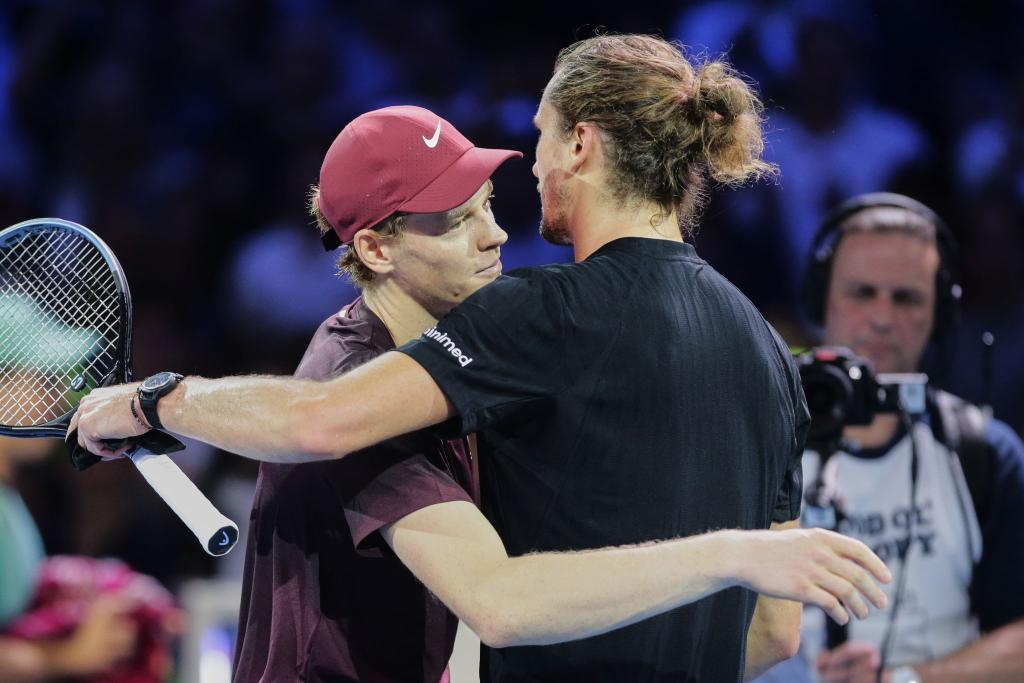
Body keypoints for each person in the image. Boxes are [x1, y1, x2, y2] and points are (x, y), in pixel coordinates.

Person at [74, 38, 891, 681]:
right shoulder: (771, 353)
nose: (505, 221)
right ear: (374, 247)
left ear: (579, 143)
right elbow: (774, 632)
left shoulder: (532, 316)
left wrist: (148, 402)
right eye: (457, 216)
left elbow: (495, 595)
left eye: (530, 147)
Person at [777, 193, 1024, 682]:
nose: (883, 317)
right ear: (819, 298)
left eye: (907, 297)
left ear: (942, 314)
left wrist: (904, 680)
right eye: (862, 292)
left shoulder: (982, 453)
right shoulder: (758, 444)